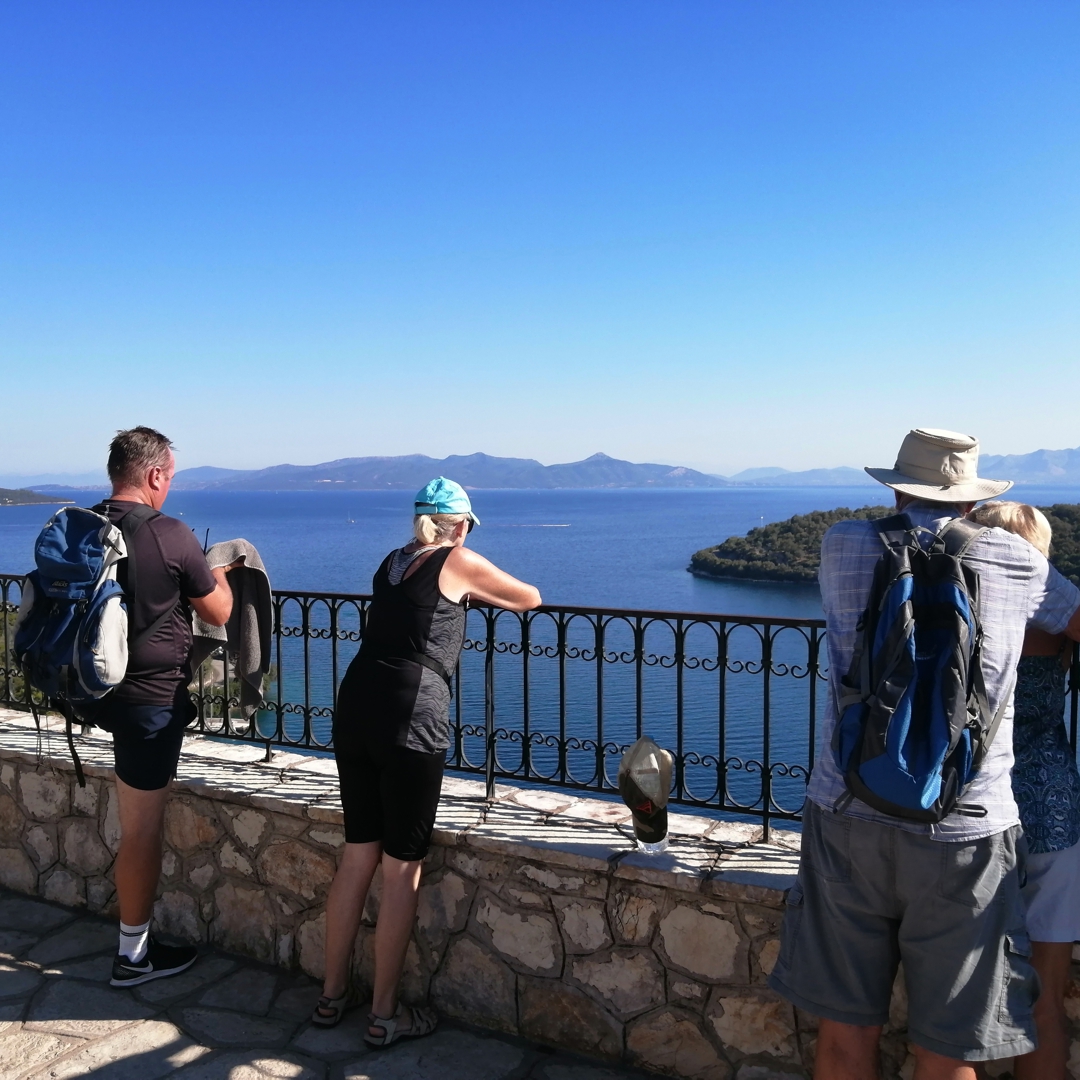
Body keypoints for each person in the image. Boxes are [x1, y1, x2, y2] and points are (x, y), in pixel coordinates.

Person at [768, 428, 1080, 1080]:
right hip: (965, 831)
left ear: (896, 484)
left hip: (846, 809)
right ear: (970, 495)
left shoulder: (841, 544)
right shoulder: (1018, 563)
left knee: (843, 1037)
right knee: (946, 1052)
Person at [315, 477, 542, 1044]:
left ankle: (330, 996)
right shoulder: (458, 560)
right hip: (411, 716)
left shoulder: (391, 562)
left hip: (356, 705)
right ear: (459, 524)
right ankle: (385, 1015)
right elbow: (529, 597)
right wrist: (472, 591)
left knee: (356, 856)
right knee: (401, 869)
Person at [95, 427, 236, 988]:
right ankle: (133, 956)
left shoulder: (88, 524)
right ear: (154, 476)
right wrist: (218, 568)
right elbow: (219, 612)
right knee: (141, 830)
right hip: (150, 701)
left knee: (135, 822)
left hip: (97, 691)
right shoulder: (171, 535)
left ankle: (135, 944)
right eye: (170, 476)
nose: (170, 486)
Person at [968, 501, 1080, 1080]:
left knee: (963, 993)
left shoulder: (970, 617)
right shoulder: (1063, 621)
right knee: (1046, 996)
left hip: (975, 815)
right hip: (1053, 809)